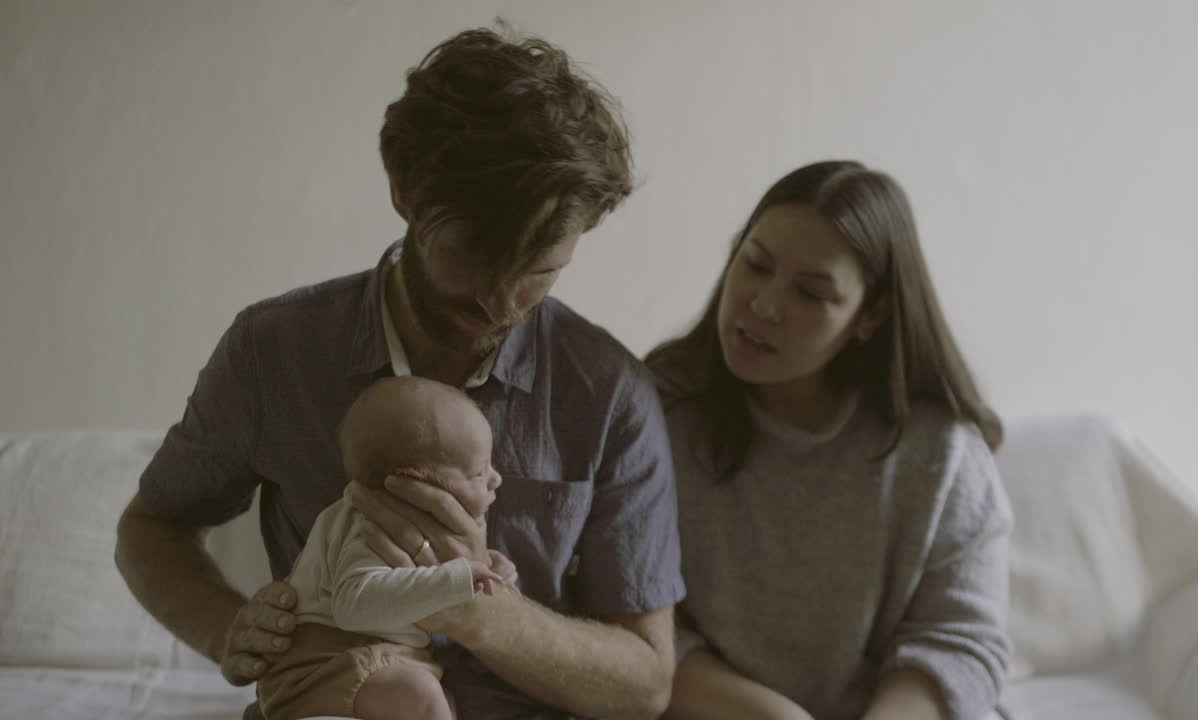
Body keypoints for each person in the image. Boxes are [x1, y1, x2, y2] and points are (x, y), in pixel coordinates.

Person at [115, 24, 683, 720]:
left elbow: (645, 683)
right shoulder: (275, 351)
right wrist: (229, 628)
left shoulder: (609, 392)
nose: (500, 303)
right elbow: (151, 528)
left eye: (539, 271)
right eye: (474, 254)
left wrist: (473, 606)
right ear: (404, 193)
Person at [646, 160, 1013, 720]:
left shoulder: (940, 450)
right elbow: (631, 619)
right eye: (755, 265)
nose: (764, 305)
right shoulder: (657, 414)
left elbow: (960, 643)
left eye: (811, 293)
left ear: (870, 316)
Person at [258, 376, 511, 720]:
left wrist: (491, 570)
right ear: (417, 482)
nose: (497, 479)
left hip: (375, 660)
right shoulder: (368, 527)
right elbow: (354, 603)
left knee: (444, 701)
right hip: (325, 666)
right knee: (422, 697)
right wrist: (453, 579)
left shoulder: (412, 523)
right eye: (480, 472)